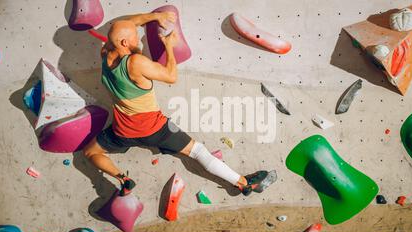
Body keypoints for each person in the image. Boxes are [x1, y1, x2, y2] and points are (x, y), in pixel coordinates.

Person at [83, 11, 274, 197]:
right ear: (125, 42)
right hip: (155, 129)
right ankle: (243, 183)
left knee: (91, 152)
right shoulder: (135, 62)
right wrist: (169, 46)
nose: (138, 39)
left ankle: (123, 179)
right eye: (135, 37)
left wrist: (155, 17)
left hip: (122, 131)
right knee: (197, 151)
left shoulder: (105, 53)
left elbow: (125, 27)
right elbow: (171, 76)